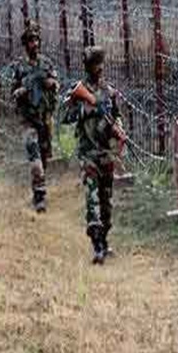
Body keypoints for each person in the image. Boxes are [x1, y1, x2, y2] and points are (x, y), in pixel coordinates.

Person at [62, 46, 125, 264]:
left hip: (106, 153)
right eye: (95, 64)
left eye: (101, 64)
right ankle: (97, 245)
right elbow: (65, 116)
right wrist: (86, 109)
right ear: (88, 67)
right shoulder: (78, 90)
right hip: (87, 153)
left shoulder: (110, 92)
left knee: (107, 203)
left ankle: (104, 240)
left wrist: (118, 129)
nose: (99, 68)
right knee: (92, 199)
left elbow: (116, 115)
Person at [11, 21, 59, 212]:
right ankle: (40, 195)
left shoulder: (46, 64)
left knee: (44, 155)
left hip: (45, 118)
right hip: (28, 118)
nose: (35, 44)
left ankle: (38, 185)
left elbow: (56, 83)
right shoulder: (20, 67)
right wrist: (21, 91)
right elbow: (12, 92)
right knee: (34, 153)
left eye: (37, 40)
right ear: (25, 43)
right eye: (31, 40)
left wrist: (51, 83)